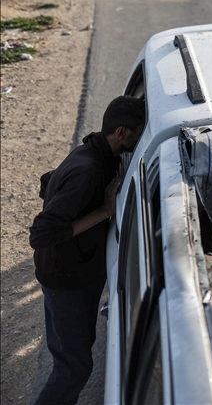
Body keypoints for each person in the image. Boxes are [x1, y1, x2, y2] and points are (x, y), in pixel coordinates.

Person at [30, 96, 145, 405]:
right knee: (74, 367)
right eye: (138, 132)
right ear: (121, 133)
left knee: (71, 352)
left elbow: (49, 183)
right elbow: (42, 233)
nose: (139, 139)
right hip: (65, 280)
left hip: (68, 272)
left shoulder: (93, 152)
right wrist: (105, 212)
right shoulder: (88, 171)